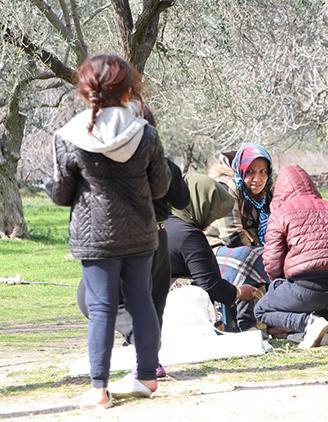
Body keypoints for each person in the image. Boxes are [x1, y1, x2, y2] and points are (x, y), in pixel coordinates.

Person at [49, 54, 169, 409]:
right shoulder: (144, 132)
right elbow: (160, 187)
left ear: (85, 90)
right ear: (128, 89)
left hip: (95, 236)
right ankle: (147, 376)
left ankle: (99, 388)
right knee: (141, 301)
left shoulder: (69, 136)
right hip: (139, 233)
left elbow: (61, 193)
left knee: (101, 308)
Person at [75, 108, 188, 379]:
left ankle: (142, 350)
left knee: (100, 299)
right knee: (153, 302)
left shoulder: (110, 164)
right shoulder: (163, 163)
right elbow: (182, 200)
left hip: (127, 241)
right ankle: (151, 361)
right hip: (159, 237)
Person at [254, 165, 328, 348]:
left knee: (262, 309)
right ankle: (325, 331)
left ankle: (308, 323)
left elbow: (272, 262)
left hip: (306, 288)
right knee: (327, 273)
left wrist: (279, 285)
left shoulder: (281, 214)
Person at [205, 143, 273, 331]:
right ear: (240, 170)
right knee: (249, 257)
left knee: (276, 258)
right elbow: (231, 235)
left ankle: (273, 321)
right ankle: (247, 322)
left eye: (263, 172)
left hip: (252, 246)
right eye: (250, 171)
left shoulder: (266, 194)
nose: (257, 178)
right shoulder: (228, 188)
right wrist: (263, 248)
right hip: (218, 247)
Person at [167, 173, 258, 309]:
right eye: (211, 213)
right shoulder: (189, 237)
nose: (212, 221)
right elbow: (210, 284)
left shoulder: (162, 223)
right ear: (199, 205)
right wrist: (239, 292)